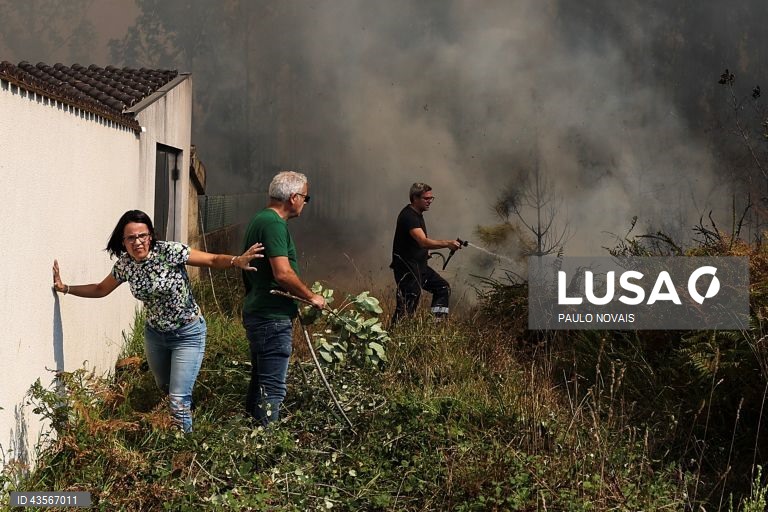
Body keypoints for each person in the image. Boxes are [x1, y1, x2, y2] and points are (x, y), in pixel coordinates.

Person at [52, 209, 265, 433]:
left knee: (177, 399)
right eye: (131, 238)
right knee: (165, 387)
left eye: (142, 236)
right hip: (155, 335)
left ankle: (183, 446)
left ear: (151, 235)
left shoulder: (170, 252)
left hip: (187, 333)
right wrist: (66, 288)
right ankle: (187, 413)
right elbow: (100, 289)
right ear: (123, 241)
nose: (137, 242)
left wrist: (235, 260)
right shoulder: (125, 265)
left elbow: (211, 259)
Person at [241, 170, 326, 427]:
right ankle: (268, 443)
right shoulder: (274, 224)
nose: (305, 203)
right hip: (271, 318)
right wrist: (311, 297)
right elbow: (283, 273)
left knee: (260, 381)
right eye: (305, 198)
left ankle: (250, 436)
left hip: (259, 312)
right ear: (293, 197)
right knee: (273, 389)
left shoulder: (261, 219)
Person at [390, 182, 462, 326]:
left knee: (442, 288)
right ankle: (394, 335)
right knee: (407, 307)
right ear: (415, 198)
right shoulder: (409, 216)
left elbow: (415, 242)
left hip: (419, 266)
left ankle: (436, 325)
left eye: (431, 198)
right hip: (408, 270)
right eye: (426, 198)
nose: (430, 201)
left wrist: (424, 252)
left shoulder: (417, 214)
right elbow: (423, 241)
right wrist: (448, 243)